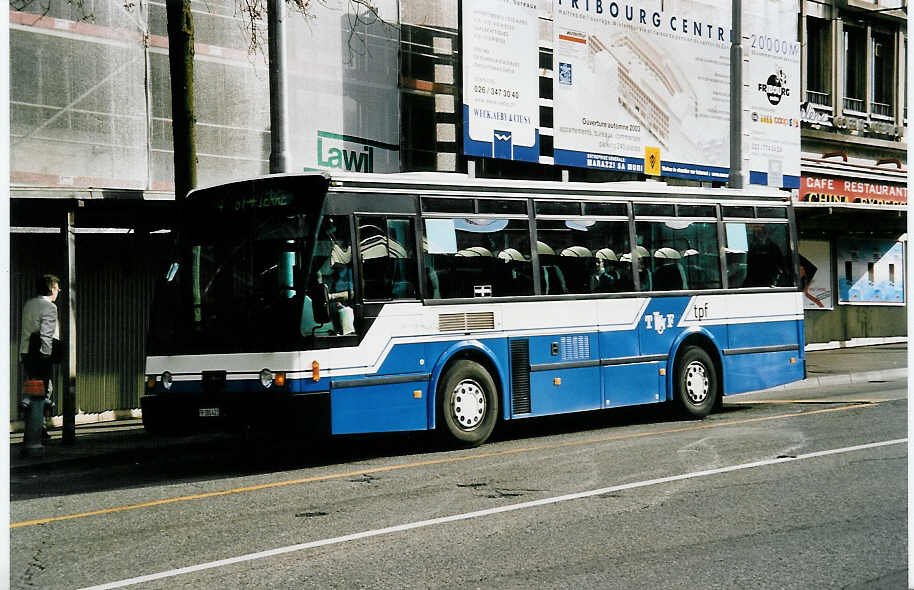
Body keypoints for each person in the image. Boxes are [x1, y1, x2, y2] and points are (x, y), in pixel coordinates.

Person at [19, 274, 61, 439]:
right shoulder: (49, 307)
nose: (58, 291)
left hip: (26, 353)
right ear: (51, 289)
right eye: (57, 288)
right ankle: (37, 428)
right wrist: (47, 355)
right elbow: (47, 335)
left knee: (34, 387)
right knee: (44, 392)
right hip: (41, 355)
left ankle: (34, 428)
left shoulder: (29, 304)